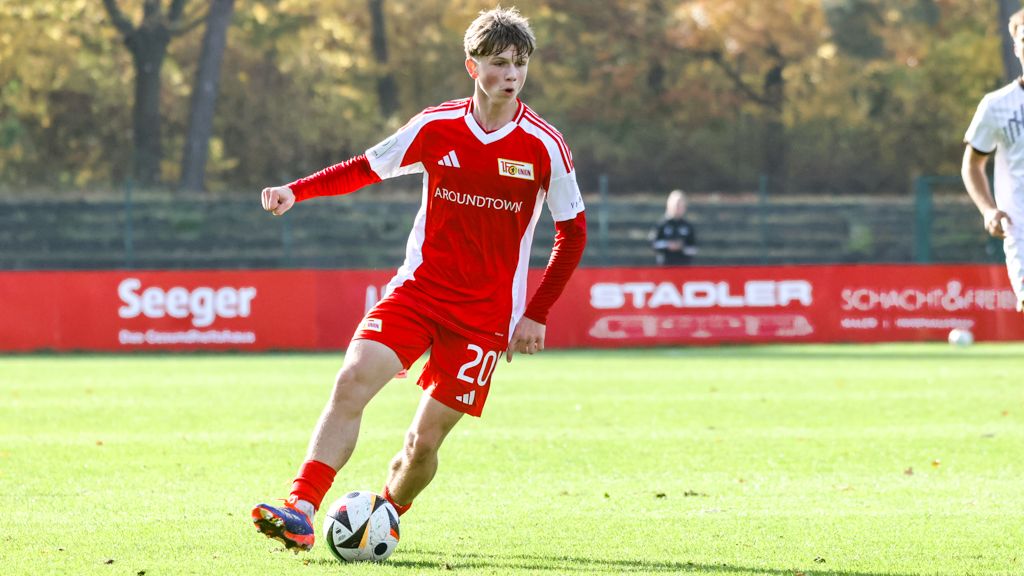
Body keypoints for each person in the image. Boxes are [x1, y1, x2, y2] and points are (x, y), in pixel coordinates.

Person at [251, 7, 587, 552]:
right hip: (420, 292)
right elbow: (366, 166)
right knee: (352, 378)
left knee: (421, 446)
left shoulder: (545, 145)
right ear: (471, 67)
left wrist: (536, 313)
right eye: (499, 62)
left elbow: (572, 232)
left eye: (520, 64)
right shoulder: (437, 126)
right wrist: (298, 190)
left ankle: (386, 511)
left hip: (485, 317)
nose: (512, 74)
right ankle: (301, 509)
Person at [962, 9, 1024, 314]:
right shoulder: (996, 105)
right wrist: (988, 210)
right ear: (1016, 46)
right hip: (1020, 227)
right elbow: (972, 165)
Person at [649, 189, 697, 265]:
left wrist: (681, 247)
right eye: (676, 205)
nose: (678, 208)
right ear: (668, 205)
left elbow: (693, 248)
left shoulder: (688, 226)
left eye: (680, 205)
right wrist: (668, 245)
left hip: (683, 267)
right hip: (665, 267)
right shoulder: (662, 224)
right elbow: (654, 244)